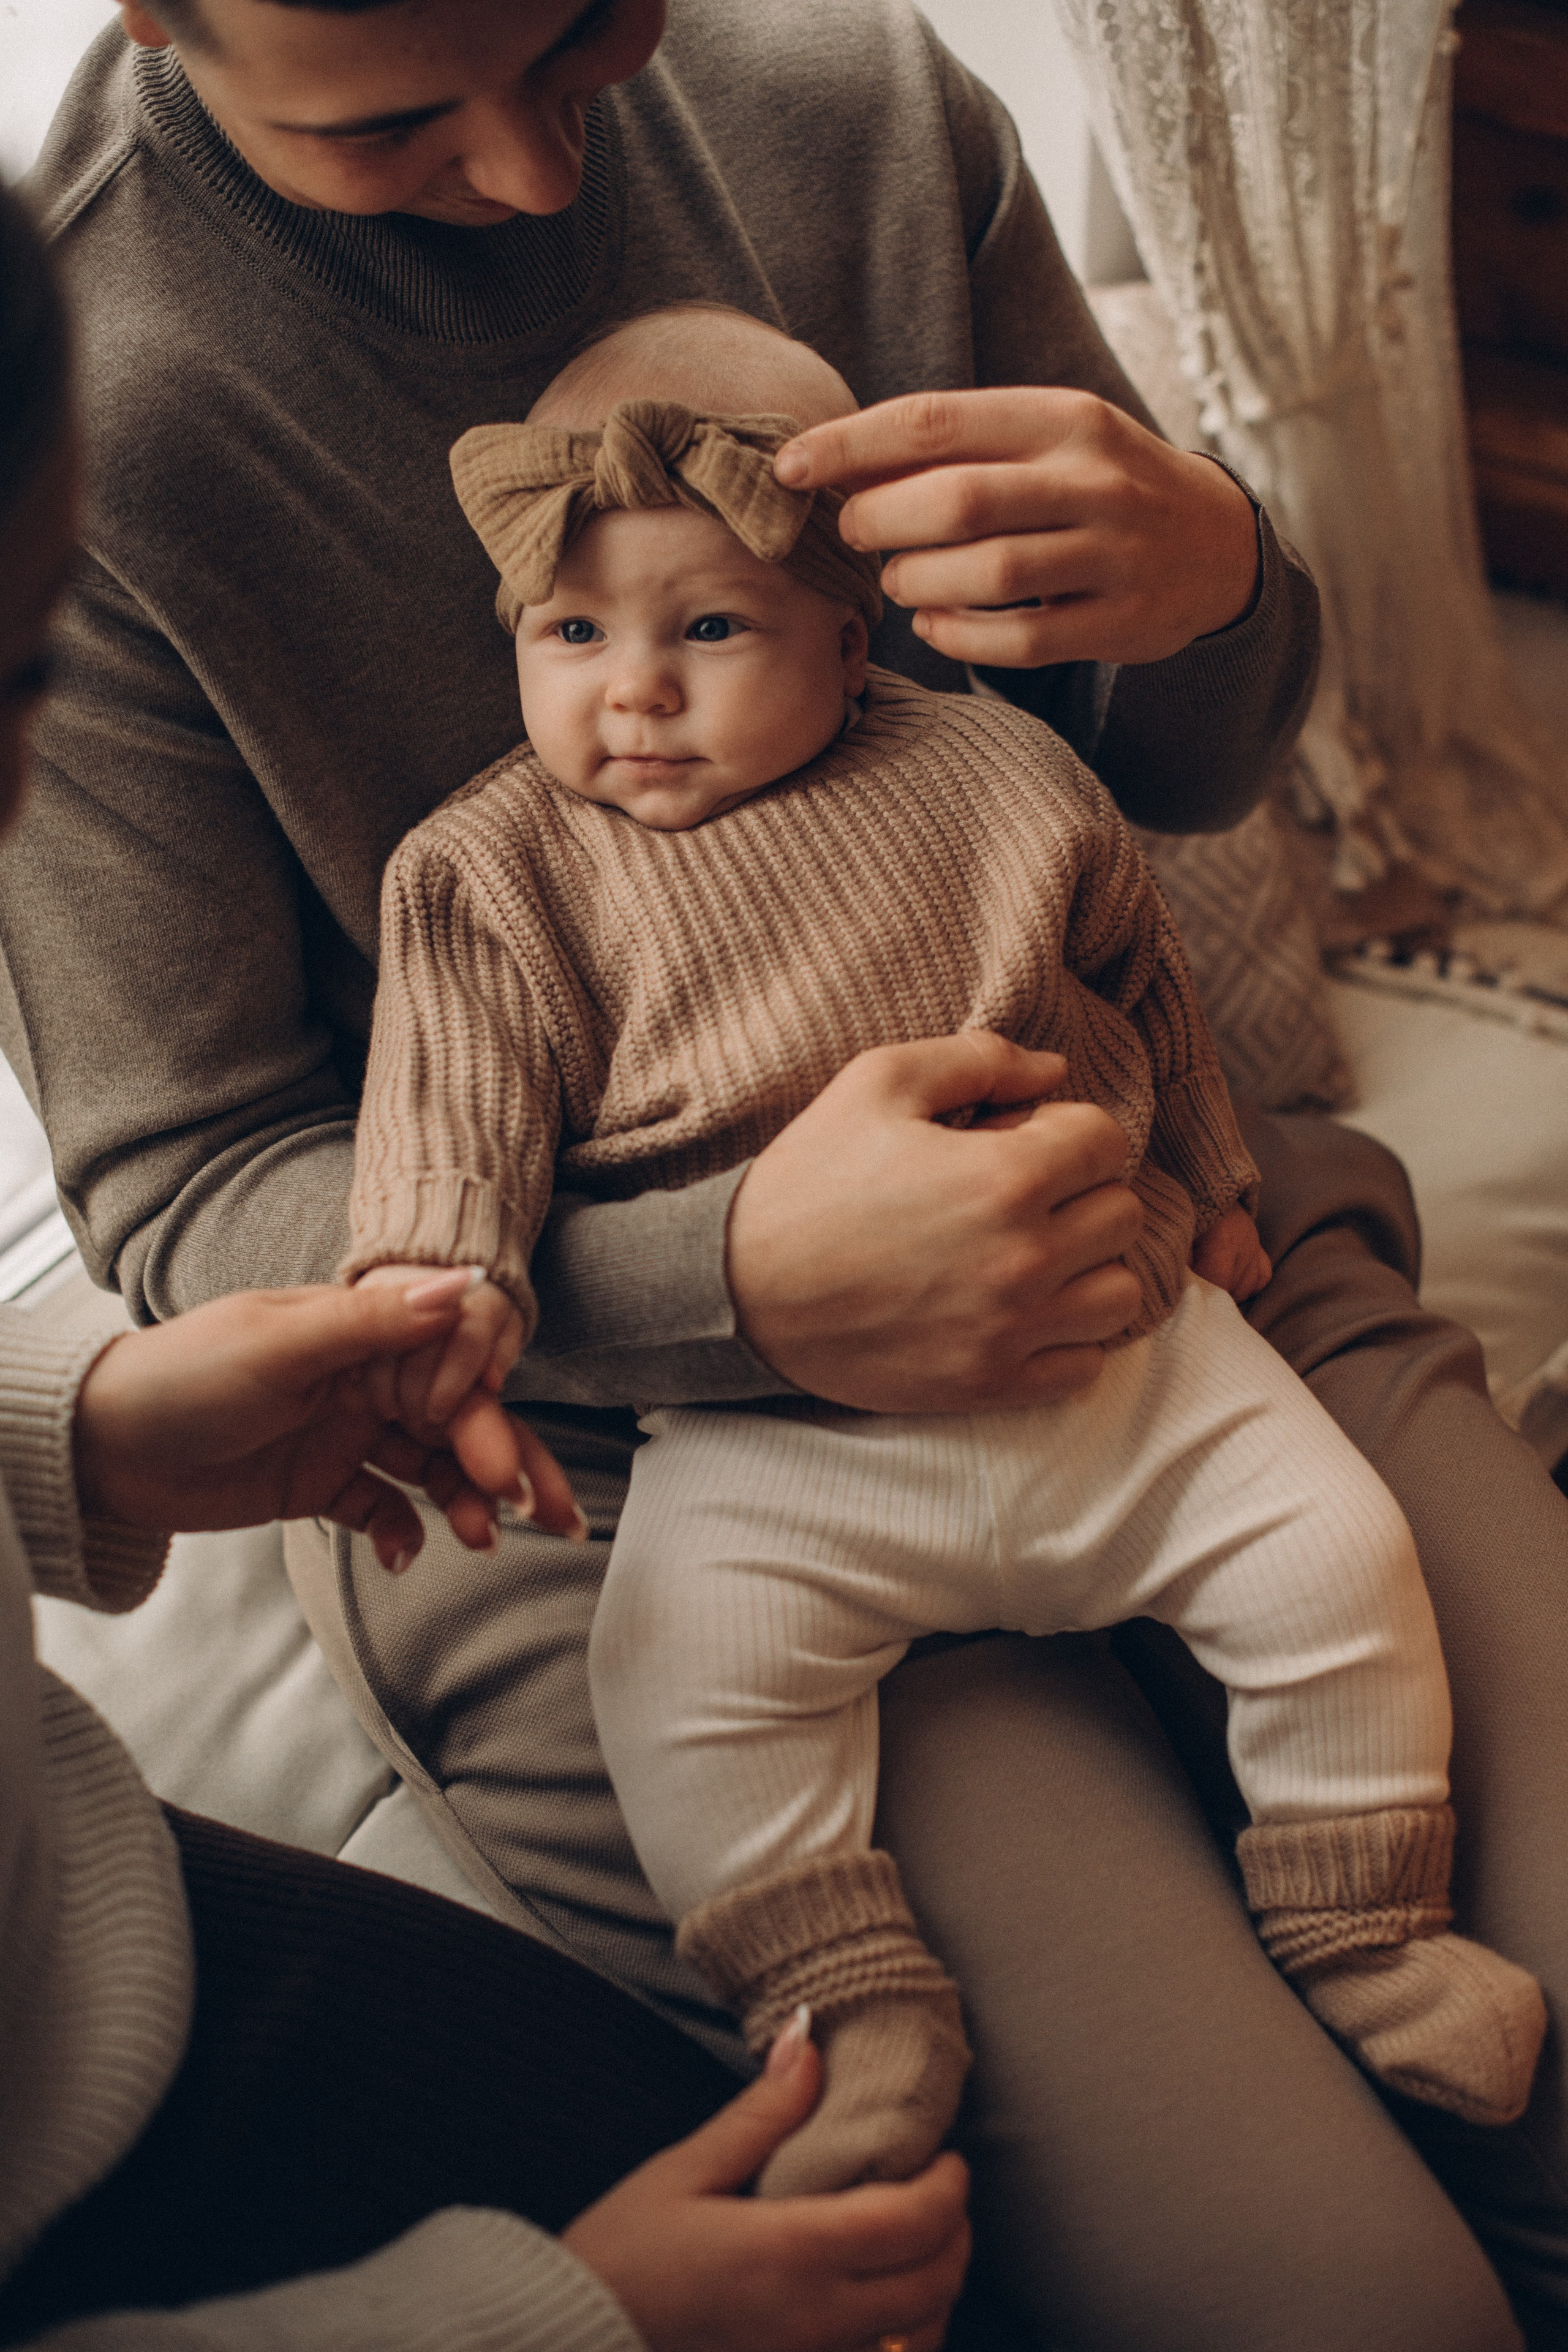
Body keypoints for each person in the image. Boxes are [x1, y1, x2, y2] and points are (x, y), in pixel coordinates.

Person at [4, 0, 1566, 2341]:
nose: (543, 172)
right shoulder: (81, 393)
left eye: (587, 29)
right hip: (620, 1461)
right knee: (1351, 2300)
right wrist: (728, 1275)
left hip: (1168, 1273)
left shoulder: (860, 112)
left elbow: (1172, 786)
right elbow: (190, 1184)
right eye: (395, 120)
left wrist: (1222, 580)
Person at [339, 314, 1542, 2193]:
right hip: (775, 1428)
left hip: (1121, 1346)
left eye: (708, 628)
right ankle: (848, 2002)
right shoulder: (486, 874)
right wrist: (453, 1293)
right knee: (678, 1679)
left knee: (1338, 1560)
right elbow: (449, 1123)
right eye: (571, 633)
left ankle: (1365, 1918)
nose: (632, 691)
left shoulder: (999, 777)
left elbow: (1144, 981)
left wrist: (1219, 1181)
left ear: (851, 638)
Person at [0, 174, 974, 2352]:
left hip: (105, 1922)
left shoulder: (868, 131)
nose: (18, 796)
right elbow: (235, 1164)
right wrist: (551, 2317)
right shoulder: (477, 880)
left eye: (29, 669)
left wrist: (66, 1436)